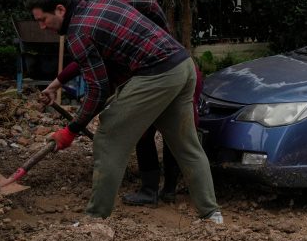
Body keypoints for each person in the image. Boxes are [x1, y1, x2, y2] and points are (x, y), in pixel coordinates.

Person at [25, 0, 222, 223]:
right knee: (187, 145)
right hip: (183, 64)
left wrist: (71, 130)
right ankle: (212, 214)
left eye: (43, 20)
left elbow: (98, 89)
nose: (42, 27)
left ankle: (94, 219)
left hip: (156, 74)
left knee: (108, 137)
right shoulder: (103, 0)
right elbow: (151, 4)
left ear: (60, 10)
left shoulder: (78, 33)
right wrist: (163, 38)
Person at [41, 59, 204, 205]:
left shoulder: (110, 57)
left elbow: (96, 92)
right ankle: (168, 190)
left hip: (162, 78)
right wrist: (55, 85)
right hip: (185, 70)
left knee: (144, 131)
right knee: (175, 132)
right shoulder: (121, 45)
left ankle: (151, 191)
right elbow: (79, 64)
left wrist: (72, 129)